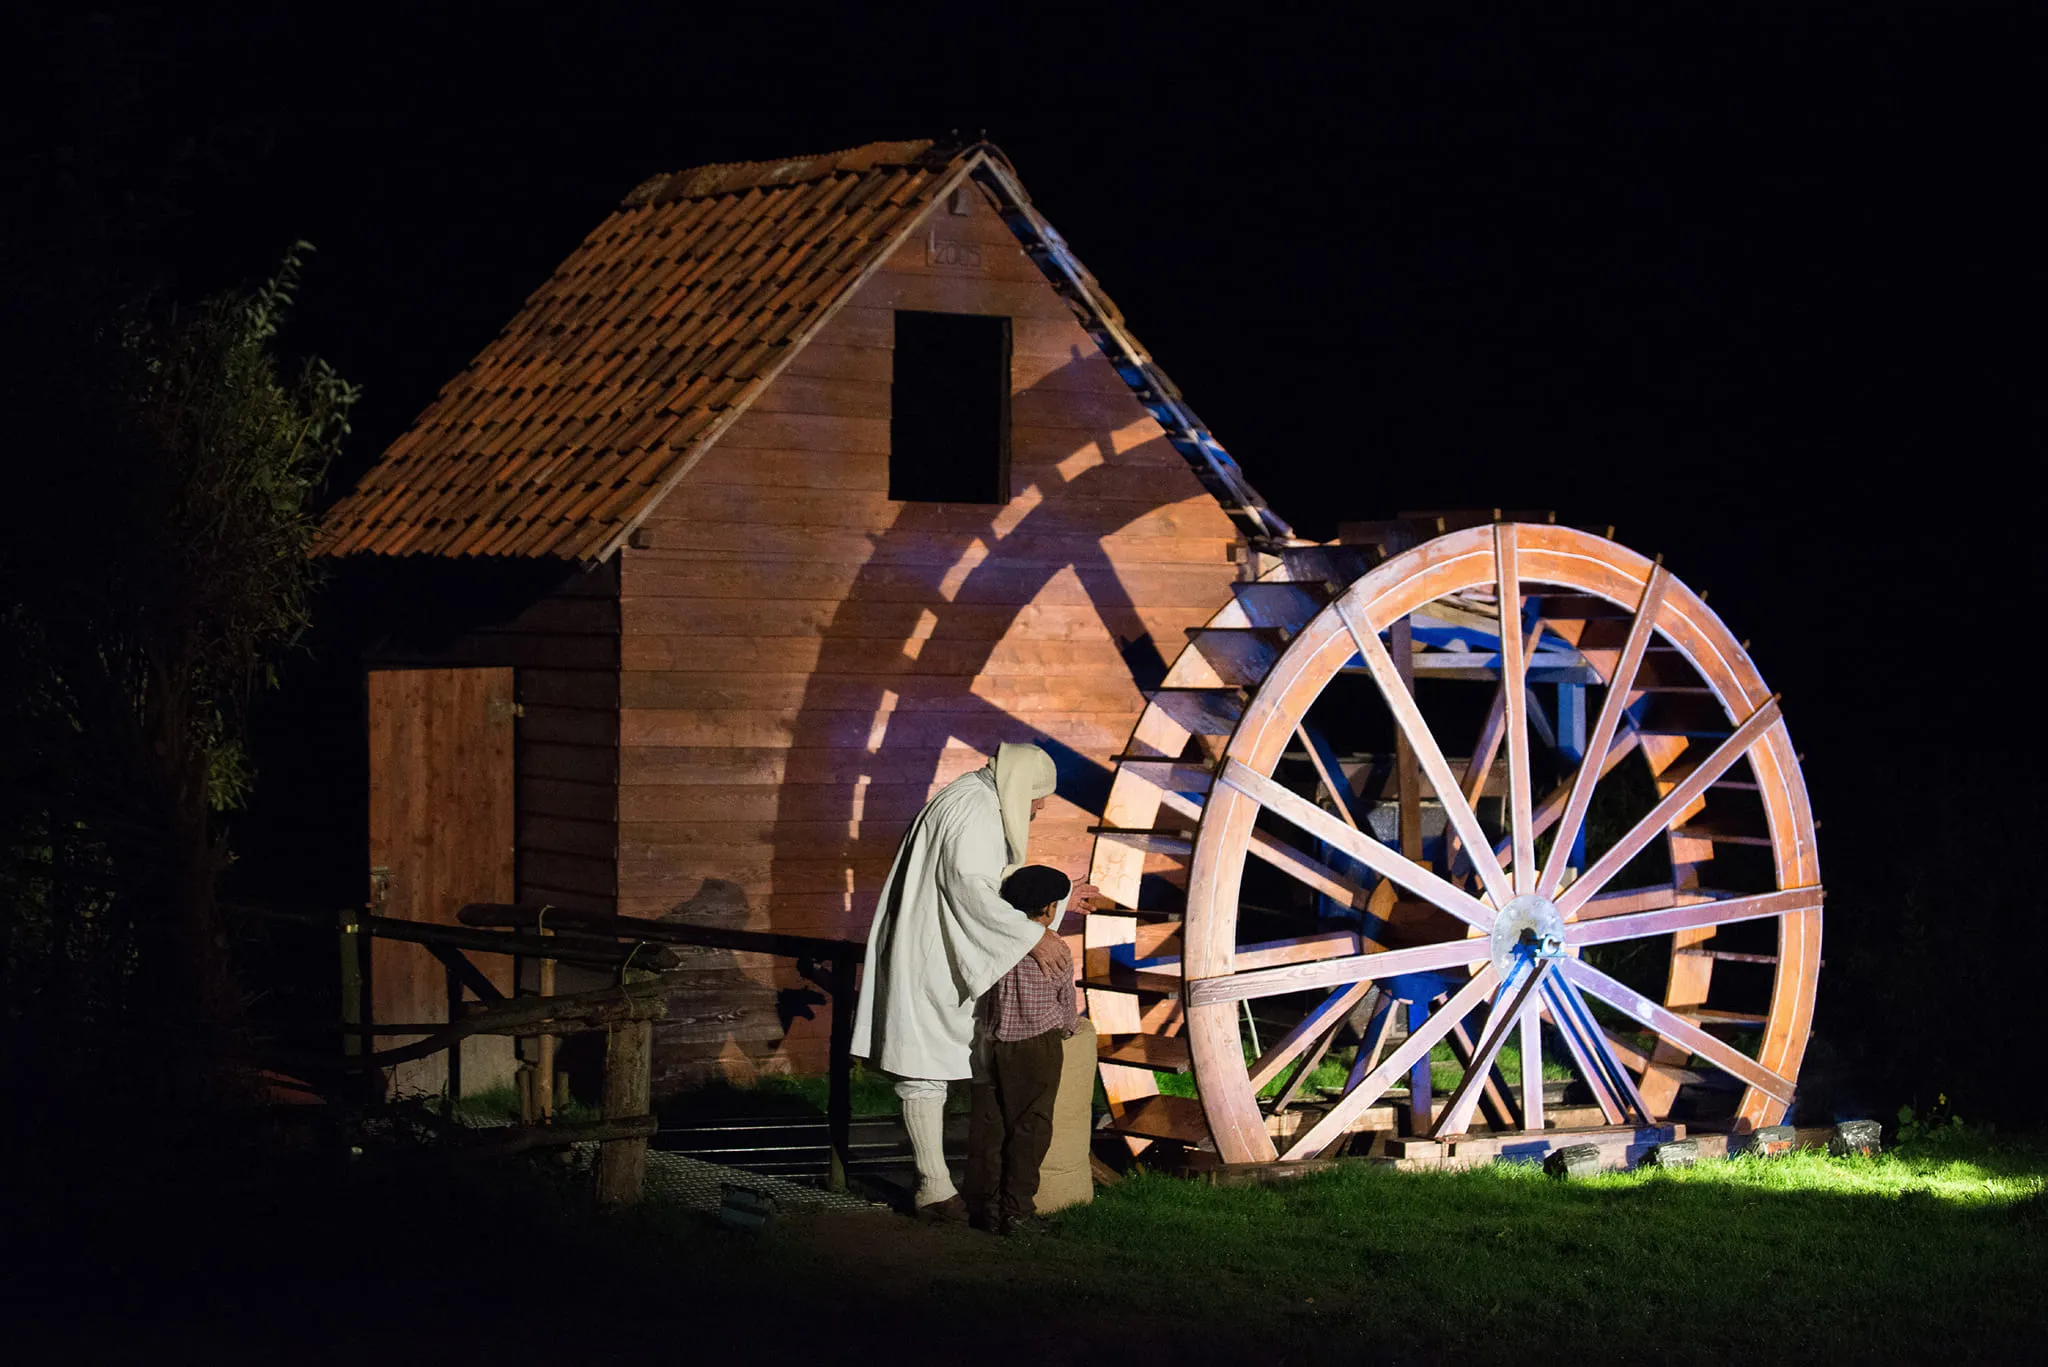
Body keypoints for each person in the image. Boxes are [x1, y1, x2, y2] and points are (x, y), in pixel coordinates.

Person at [850, 743, 1092, 1221]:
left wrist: (1060, 903)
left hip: (934, 942)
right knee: (923, 1064)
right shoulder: (975, 808)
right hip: (930, 950)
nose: (1039, 808)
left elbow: (993, 884)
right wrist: (1032, 936)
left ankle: (944, 1188)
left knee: (935, 1063)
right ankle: (935, 1189)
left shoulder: (971, 798)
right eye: (1036, 797)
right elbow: (969, 886)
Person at [964, 864, 1077, 1235]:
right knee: (1030, 1127)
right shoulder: (1053, 947)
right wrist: (1068, 1026)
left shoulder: (995, 941)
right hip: (1035, 1045)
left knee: (989, 1127)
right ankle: (1017, 1212)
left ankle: (984, 1208)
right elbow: (1065, 1001)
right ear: (1047, 909)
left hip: (990, 1042)